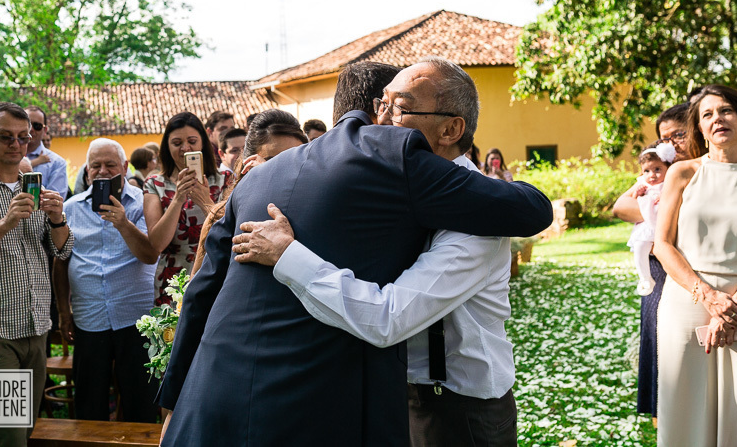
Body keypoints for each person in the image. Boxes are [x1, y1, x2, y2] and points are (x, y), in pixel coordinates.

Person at [157, 60, 553, 446]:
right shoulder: (371, 179)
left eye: (398, 108)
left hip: (460, 405)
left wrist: (288, 254)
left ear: (451, 128)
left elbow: (388, 317)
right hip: (378, 396)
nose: (382, 120)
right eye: (381, 104)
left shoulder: (476, 214)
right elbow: (205, 289)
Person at [0, 102, 73, 445]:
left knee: (24, 430)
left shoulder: (33, 187)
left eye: (24, 137)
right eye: (6, 137)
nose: (17, 145)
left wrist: (57, 220)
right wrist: (6, 222)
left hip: (34, 327)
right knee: (9, 436)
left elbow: (63, 250)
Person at [653, 85, 737, 446]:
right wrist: (708, 297)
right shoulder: (681, 173)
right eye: (707, 115)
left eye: (726, 110)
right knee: (683, 409)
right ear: (699, 127)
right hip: (686, 304)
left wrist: (734, 307)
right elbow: (662, 244)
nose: (718, 119)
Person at [54, 138, 158, 422]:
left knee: (141, 404)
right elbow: (60, 262)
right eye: (95, 166)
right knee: (90, 403)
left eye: (110, 165)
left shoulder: (143, 204)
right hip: (90, 319)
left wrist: (123, 222)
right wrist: (64, 313)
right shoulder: (71, 208)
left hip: (136, 319)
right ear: (87, 171)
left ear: (124, 168)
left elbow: (150, 253)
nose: (101, 171)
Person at [612, 101, 689, 420]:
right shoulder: (659, 173)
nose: (670, 144)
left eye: (679, 134)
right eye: (664, 138)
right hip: (661, 267)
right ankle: (663, 418)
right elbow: (620, 206)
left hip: (697, 268)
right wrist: (662, 219)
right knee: (659, 344)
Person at [191, 109, 308, 276]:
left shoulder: (315, 209)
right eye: (273, 161)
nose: (286, 168)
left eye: (295, 160)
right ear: (250, 164)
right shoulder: (220, 215)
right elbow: (196, 288)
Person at [144, 112, 224, 305]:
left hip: (214, 272)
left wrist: (205, 201)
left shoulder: (225, 180)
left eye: (192, 141)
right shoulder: (154, 183)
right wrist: (178, 198)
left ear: (203, 143)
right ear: (167, 147)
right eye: (177, 143)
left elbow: (229, 232)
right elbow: (157, 244)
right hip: (172, 278)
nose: (185, 148)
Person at [627, 141, 675, 296]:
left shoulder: (669, 183)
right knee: (640, 247)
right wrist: (638, 193)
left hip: (663, 225)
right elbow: (632, 200)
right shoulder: (643, 184)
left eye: (657, 169)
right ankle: (645, 277)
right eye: (646, 171)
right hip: (647, 224)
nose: (652, 175)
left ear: (668, 168)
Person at [25, 106, 69, 198]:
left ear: (44, 131)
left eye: (37, 126)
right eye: (27, 124)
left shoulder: (57, 163)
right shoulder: (7, 156)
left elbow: (53, 202)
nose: (31, 129)